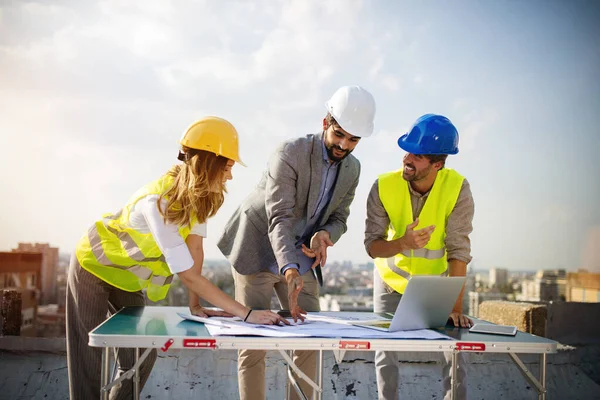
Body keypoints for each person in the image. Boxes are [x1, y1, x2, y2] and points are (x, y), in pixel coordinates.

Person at [65, 117, 287, 400]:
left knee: (141, 358)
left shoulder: (200, 199)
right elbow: (187, 274)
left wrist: (195, 304)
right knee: (88, 359)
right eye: (228, 167)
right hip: (93, 267)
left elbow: (195, 251)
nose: (230, 176)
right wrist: (246, 314)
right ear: (208, 163)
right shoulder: (160, 202)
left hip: (127, 278)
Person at [217, 86, 376, 400]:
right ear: (324, 123)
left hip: (301, 253)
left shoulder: (353, 169)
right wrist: (288, 270)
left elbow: (340, 216)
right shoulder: (289, 152)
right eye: (339, 134)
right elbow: (280, 217)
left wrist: (325, 235)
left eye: (353, 139)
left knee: (309, 338)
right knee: (255, 342)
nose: (344, 145)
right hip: (258, 247)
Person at [364, 114, 475, 400]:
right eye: (408, 150)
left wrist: (455, 306)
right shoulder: (383, 186)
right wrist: (402, 243)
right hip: (390, 284)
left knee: (454, 350)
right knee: (385, 354)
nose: (407, 158)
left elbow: (458, 250)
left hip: (434, 286)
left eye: (418, 155)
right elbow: (373, 247)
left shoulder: (457, 189)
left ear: (437, 164)